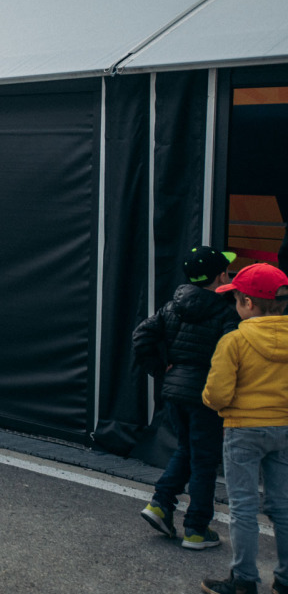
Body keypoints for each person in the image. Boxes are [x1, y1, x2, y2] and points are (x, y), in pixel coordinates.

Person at [133, 245, 239, 549]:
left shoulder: (172, 306)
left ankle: (160, 504)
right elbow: (233, 356)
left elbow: (141, 337)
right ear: (221, 276)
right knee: (205, 461)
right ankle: (196, 529)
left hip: (175, 391)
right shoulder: (224, 312)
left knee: (187, 449)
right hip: (206, 394)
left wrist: (162, 371)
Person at [201, 263, 288, 594]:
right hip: (284, 427)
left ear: (248, 303)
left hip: (243, 429)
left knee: (244, 506)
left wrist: (222, 407)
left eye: (236, 300)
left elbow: (217, 393)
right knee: (283, 505)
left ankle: (244, 580)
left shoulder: (235, 341)